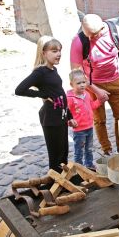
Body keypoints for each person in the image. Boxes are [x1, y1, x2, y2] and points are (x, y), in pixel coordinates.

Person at [70, 14, 119, 155]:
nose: (90, 39)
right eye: (87, 35)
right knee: (99, 120)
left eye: (94, 35)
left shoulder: (115, 31)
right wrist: (96, 90)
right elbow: (76, 73)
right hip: (91, 84)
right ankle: (107, 149)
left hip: (116, 81)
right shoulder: (79, 40)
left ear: (102, 27)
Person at [16, 36, 77, 173]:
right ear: (44, 53)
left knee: (63, 153)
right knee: (56, 157)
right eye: (54, 51)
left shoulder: (53, 70)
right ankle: (54, 185)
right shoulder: (40, 72)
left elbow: (60, 95)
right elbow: (19, 90)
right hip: (50, 119)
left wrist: (69, 116)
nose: (59, 54)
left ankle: (63, 183)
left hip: (60, 118)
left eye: (60, 50)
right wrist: (41, 94)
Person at [67, 69, 106, 170]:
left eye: (84, 82)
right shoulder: (70, 98)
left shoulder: (87, 94)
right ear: (72, 84)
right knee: (79, 151)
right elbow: (65, 113)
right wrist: (69, 122)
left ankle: (89, 166)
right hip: (79, 131)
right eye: (78, 83)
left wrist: (100, 101)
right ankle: (79, 169)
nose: (82, 85)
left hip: (89, 128)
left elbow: (92, 106)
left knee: (89, 149)